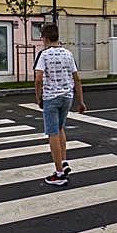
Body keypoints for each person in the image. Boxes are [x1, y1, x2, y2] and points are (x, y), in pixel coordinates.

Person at [34, 23, 86, 186]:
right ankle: (63, 161)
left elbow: (38, 79)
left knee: (52, 134)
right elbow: (76, 78)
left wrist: (38, 97)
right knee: (60, 128)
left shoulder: (43, 55)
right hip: (67, 97)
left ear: (46, 38)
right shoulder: (68, 54)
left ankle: (59, 174)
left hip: (51, 98)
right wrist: (81, 101)